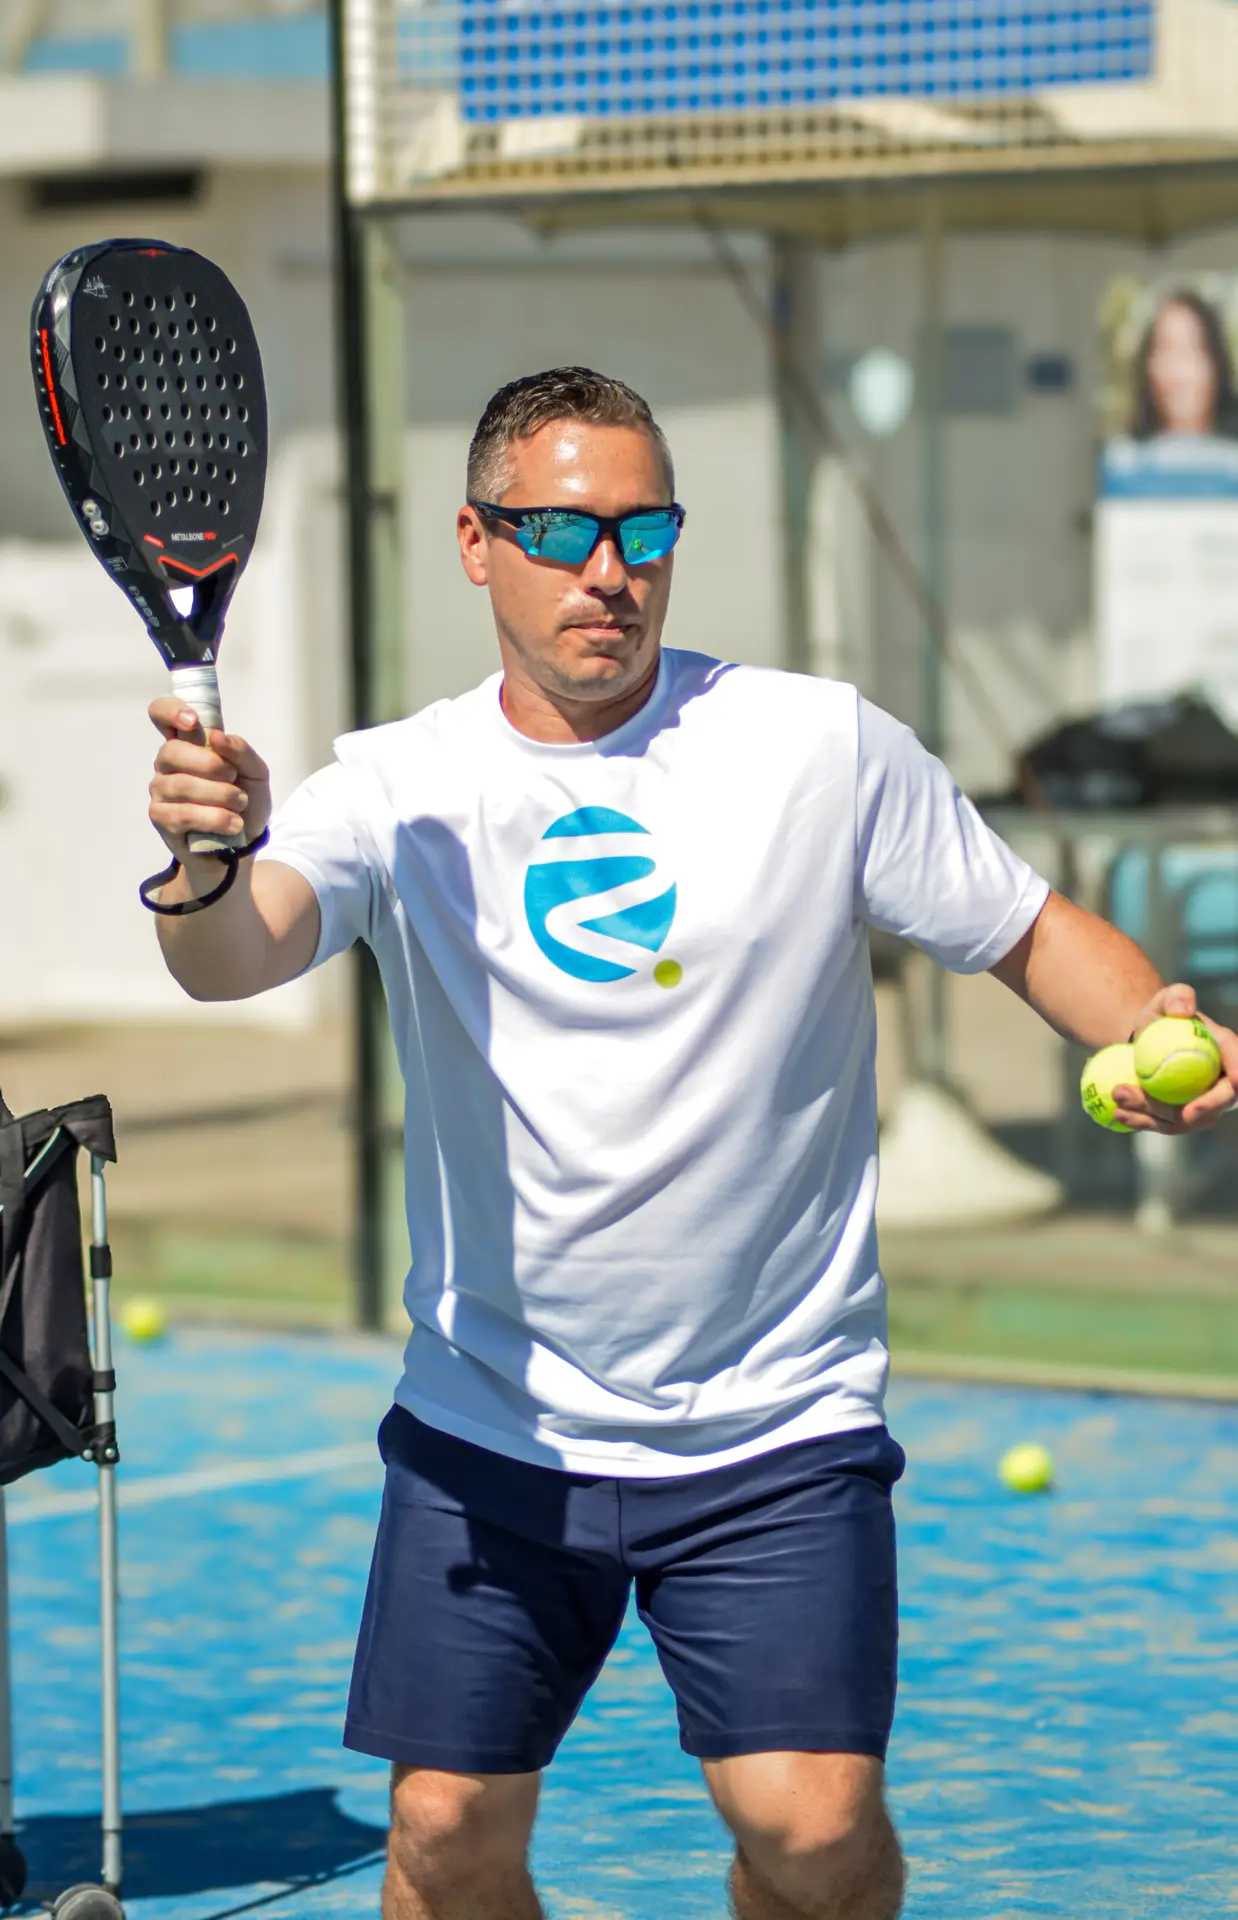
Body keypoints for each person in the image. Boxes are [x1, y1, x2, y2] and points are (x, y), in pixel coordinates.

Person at [145, 367, 1237, 1920]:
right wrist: (204, 861)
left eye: (642, 527)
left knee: (810, 1838)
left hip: (774, 1427)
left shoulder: (815, 746)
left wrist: (1140, 1031)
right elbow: (237, 951)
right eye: (560, 529)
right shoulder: (397, 785)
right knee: (446, 1837)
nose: (610, 570)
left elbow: (1027, 929)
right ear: (474, 539)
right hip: (490, 1431)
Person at [1130, 289, 1238, 440]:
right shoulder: (1124, 459)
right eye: (1167, 348)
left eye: (1193, 349)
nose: (1180, 372)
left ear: (1216, 365)